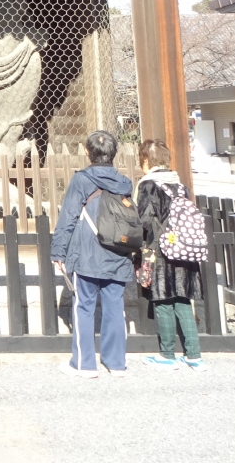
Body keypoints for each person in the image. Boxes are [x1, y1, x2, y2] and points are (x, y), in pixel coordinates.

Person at [51, 129, 134, 378]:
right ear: (113, 153)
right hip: (117, 252)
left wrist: (59, 252)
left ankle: (84, 364)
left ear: (88, 152)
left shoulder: (81, 180)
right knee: (115, 307)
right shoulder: (124, 182)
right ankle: (116, 363)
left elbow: (69, 216)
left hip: (87, 251)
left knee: (84, 307)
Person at [136, 139, 205, 370]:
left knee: (163, 301)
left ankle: (167, 355)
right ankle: (194, 356)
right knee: (183, 300)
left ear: (146, 161)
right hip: (184, 248)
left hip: (161, 249)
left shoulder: (148, 185)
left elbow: (144, 220)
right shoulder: (180, 185)